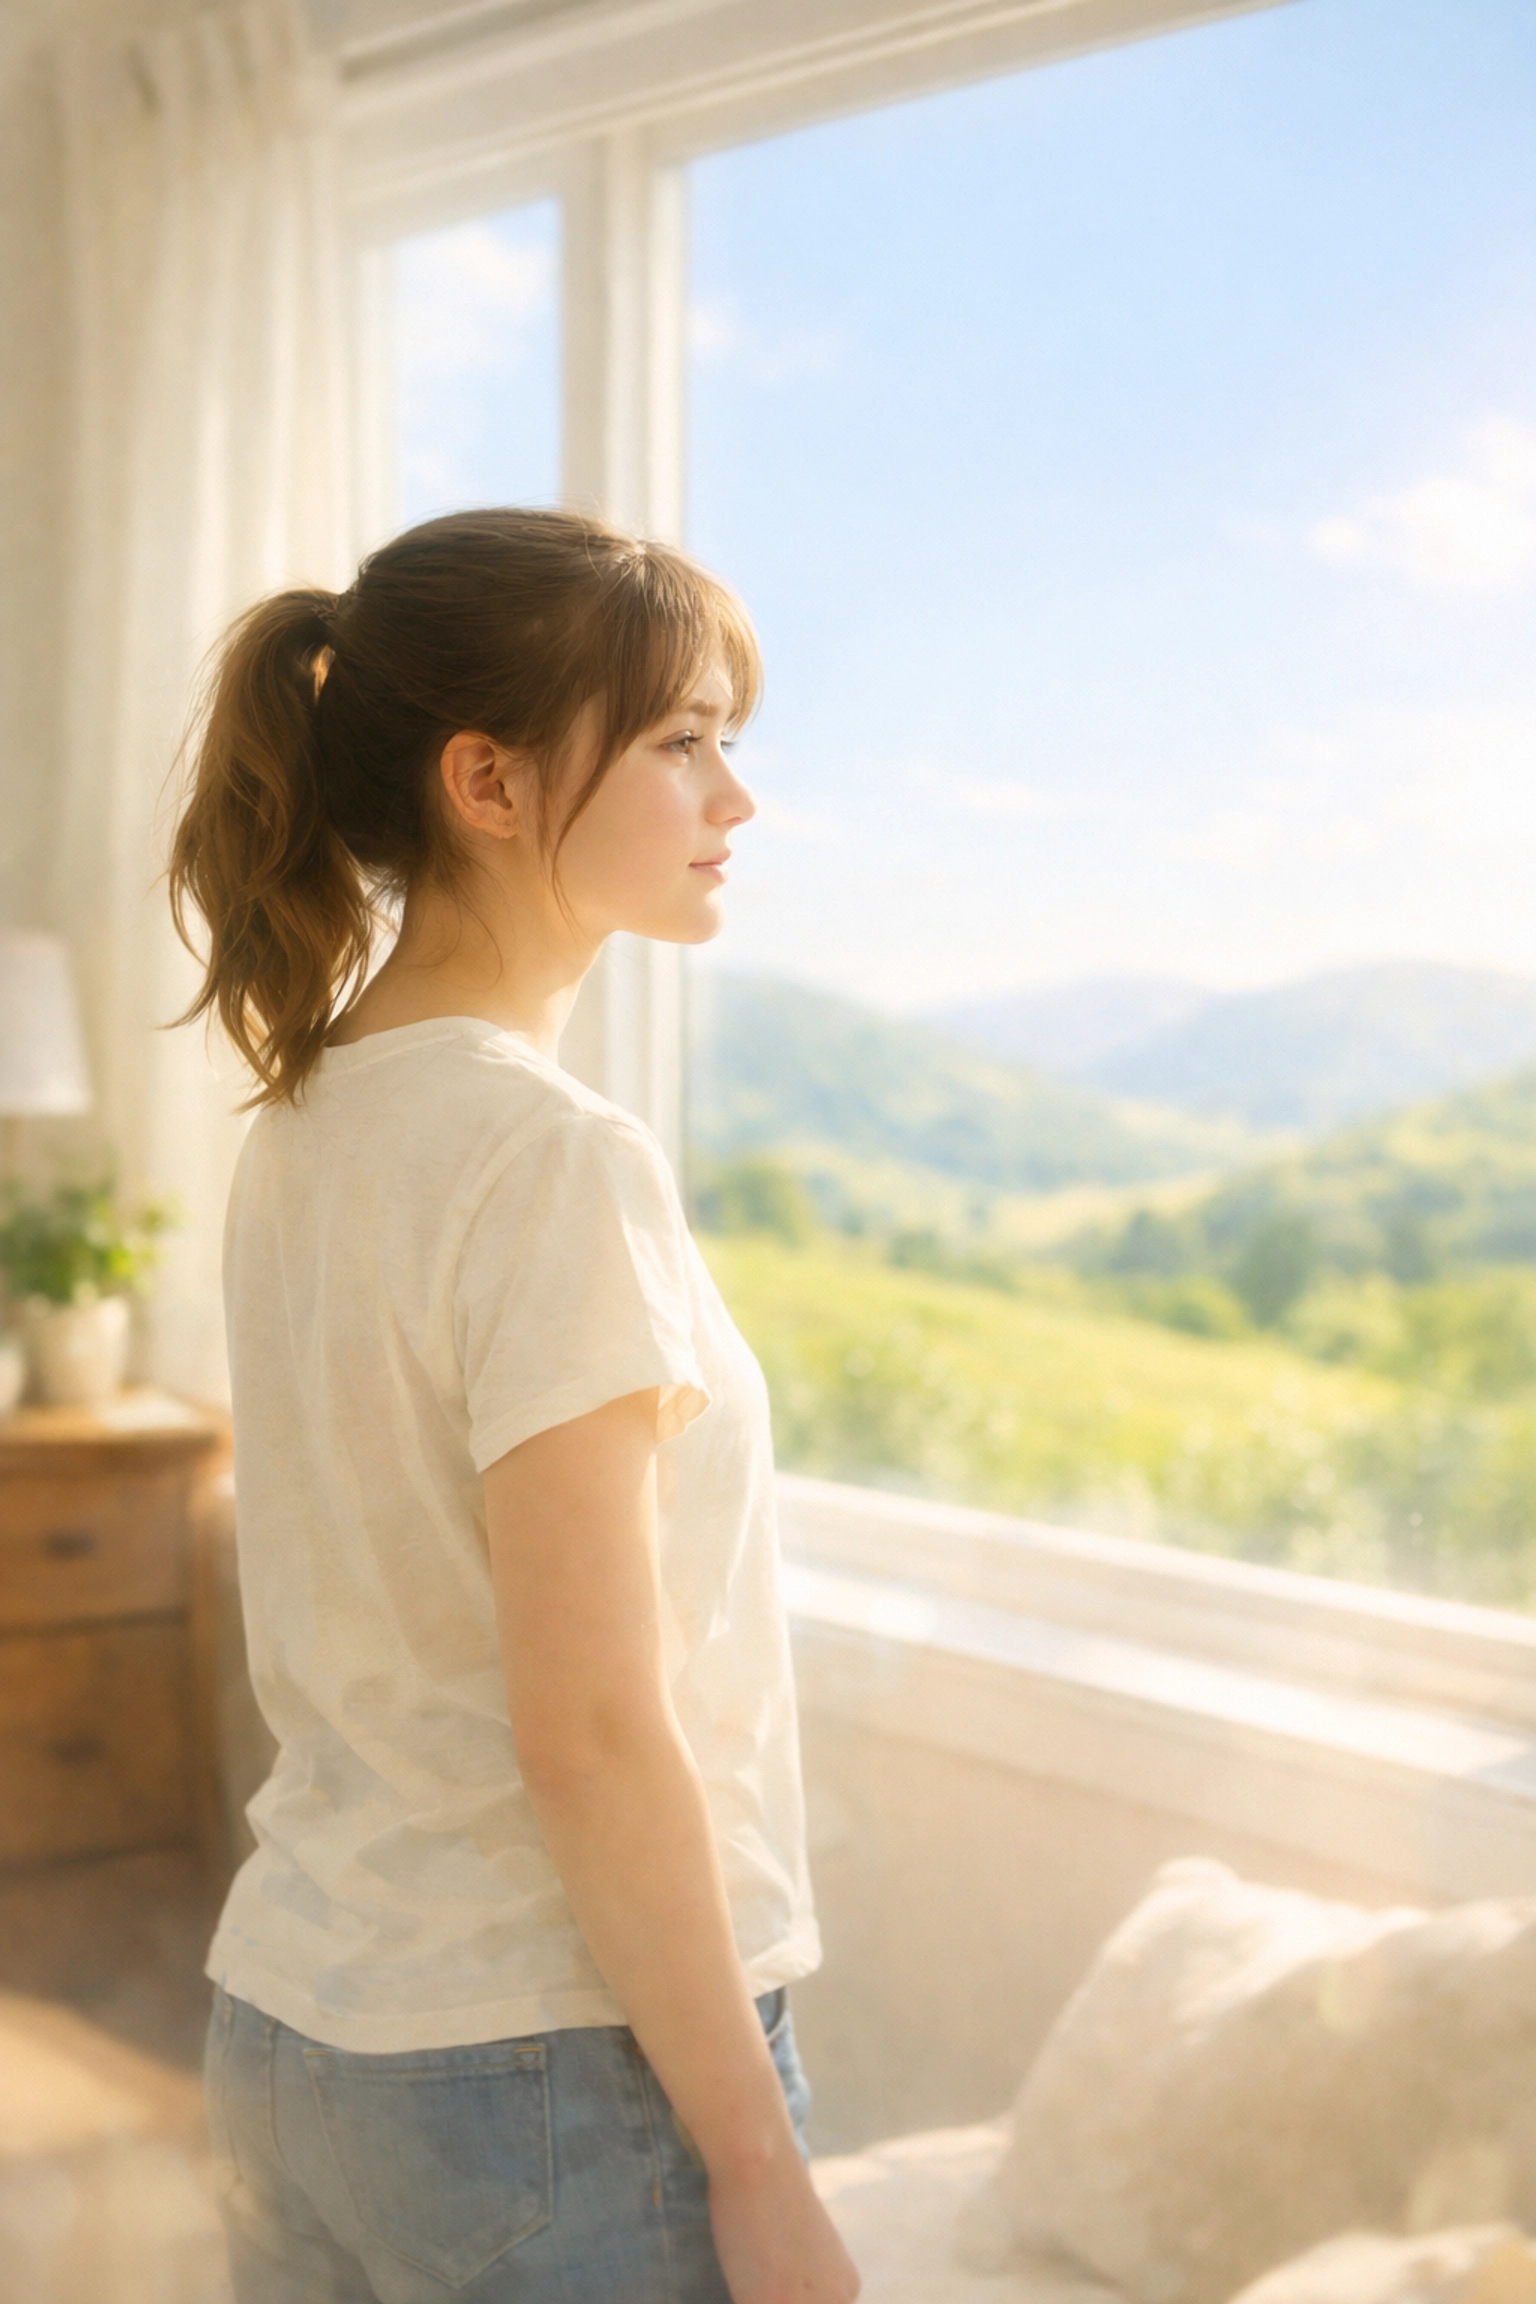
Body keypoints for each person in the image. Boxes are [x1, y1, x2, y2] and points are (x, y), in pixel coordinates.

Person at [167, 507, 861, 2304]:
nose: (736, 798)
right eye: (682, 742)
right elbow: (593, 1729)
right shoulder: (551, 1156)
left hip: (297, 2030)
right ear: (485, 780)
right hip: (545, 2064)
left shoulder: (307, 1120)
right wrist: (757, 2162)